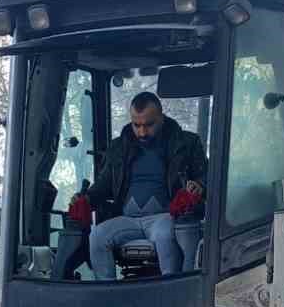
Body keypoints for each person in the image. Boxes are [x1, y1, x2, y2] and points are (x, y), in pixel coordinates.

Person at [68, 93, 206, 280]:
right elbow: (103, 186)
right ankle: (106, 296)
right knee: (97, 236)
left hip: (165, 217)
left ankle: (171, 292)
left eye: (149, 125)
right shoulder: (118, 148)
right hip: (128, 220)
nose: (142, 132)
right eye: (136, 125)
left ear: (162, 118)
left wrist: (199, 186)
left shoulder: (187, 143)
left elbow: (206, 177)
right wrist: (86, 199)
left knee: (165, 235)